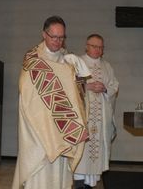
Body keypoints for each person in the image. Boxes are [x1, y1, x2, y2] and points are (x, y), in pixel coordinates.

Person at [12, 16, 90, 189]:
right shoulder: (33, 60)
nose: (57, 41)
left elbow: (76, 97)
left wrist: (77, 77)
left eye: (61, 37)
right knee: (40, 173)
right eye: (54, 36)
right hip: (39, 128)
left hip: (61, 128)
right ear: (44, 34)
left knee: (58, 176)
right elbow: (26, 93)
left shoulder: (67, 60)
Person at [74, 34, 119, 189]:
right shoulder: (77, 63)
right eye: (94, 46)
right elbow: (68, 85)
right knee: (81, 155)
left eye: (100, 47)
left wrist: (105, 88)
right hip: (82, 120)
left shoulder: (107, 67)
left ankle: (88, 185)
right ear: (86, 46)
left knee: (93, 160)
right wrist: (87, 87)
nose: (97, 49)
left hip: (100, 122)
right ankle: (79, 184)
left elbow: (114, 86)